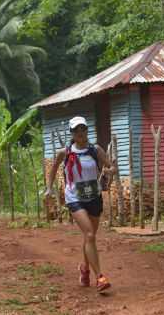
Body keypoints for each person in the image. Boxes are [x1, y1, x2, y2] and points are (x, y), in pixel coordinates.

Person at [44, 116, 114, 293]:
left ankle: (84, 268)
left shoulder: (95, 150)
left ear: (87, 130)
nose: (80, 133)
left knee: (89, 237)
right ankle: (100, 277)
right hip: (74, 198)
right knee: (90, 234)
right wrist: (49, 189)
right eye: (76, 130)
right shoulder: (65, 152)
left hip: (94, 197)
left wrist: (109, 170)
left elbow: (111, 166)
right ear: (72, 133)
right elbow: (53, 170)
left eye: (83, 129)